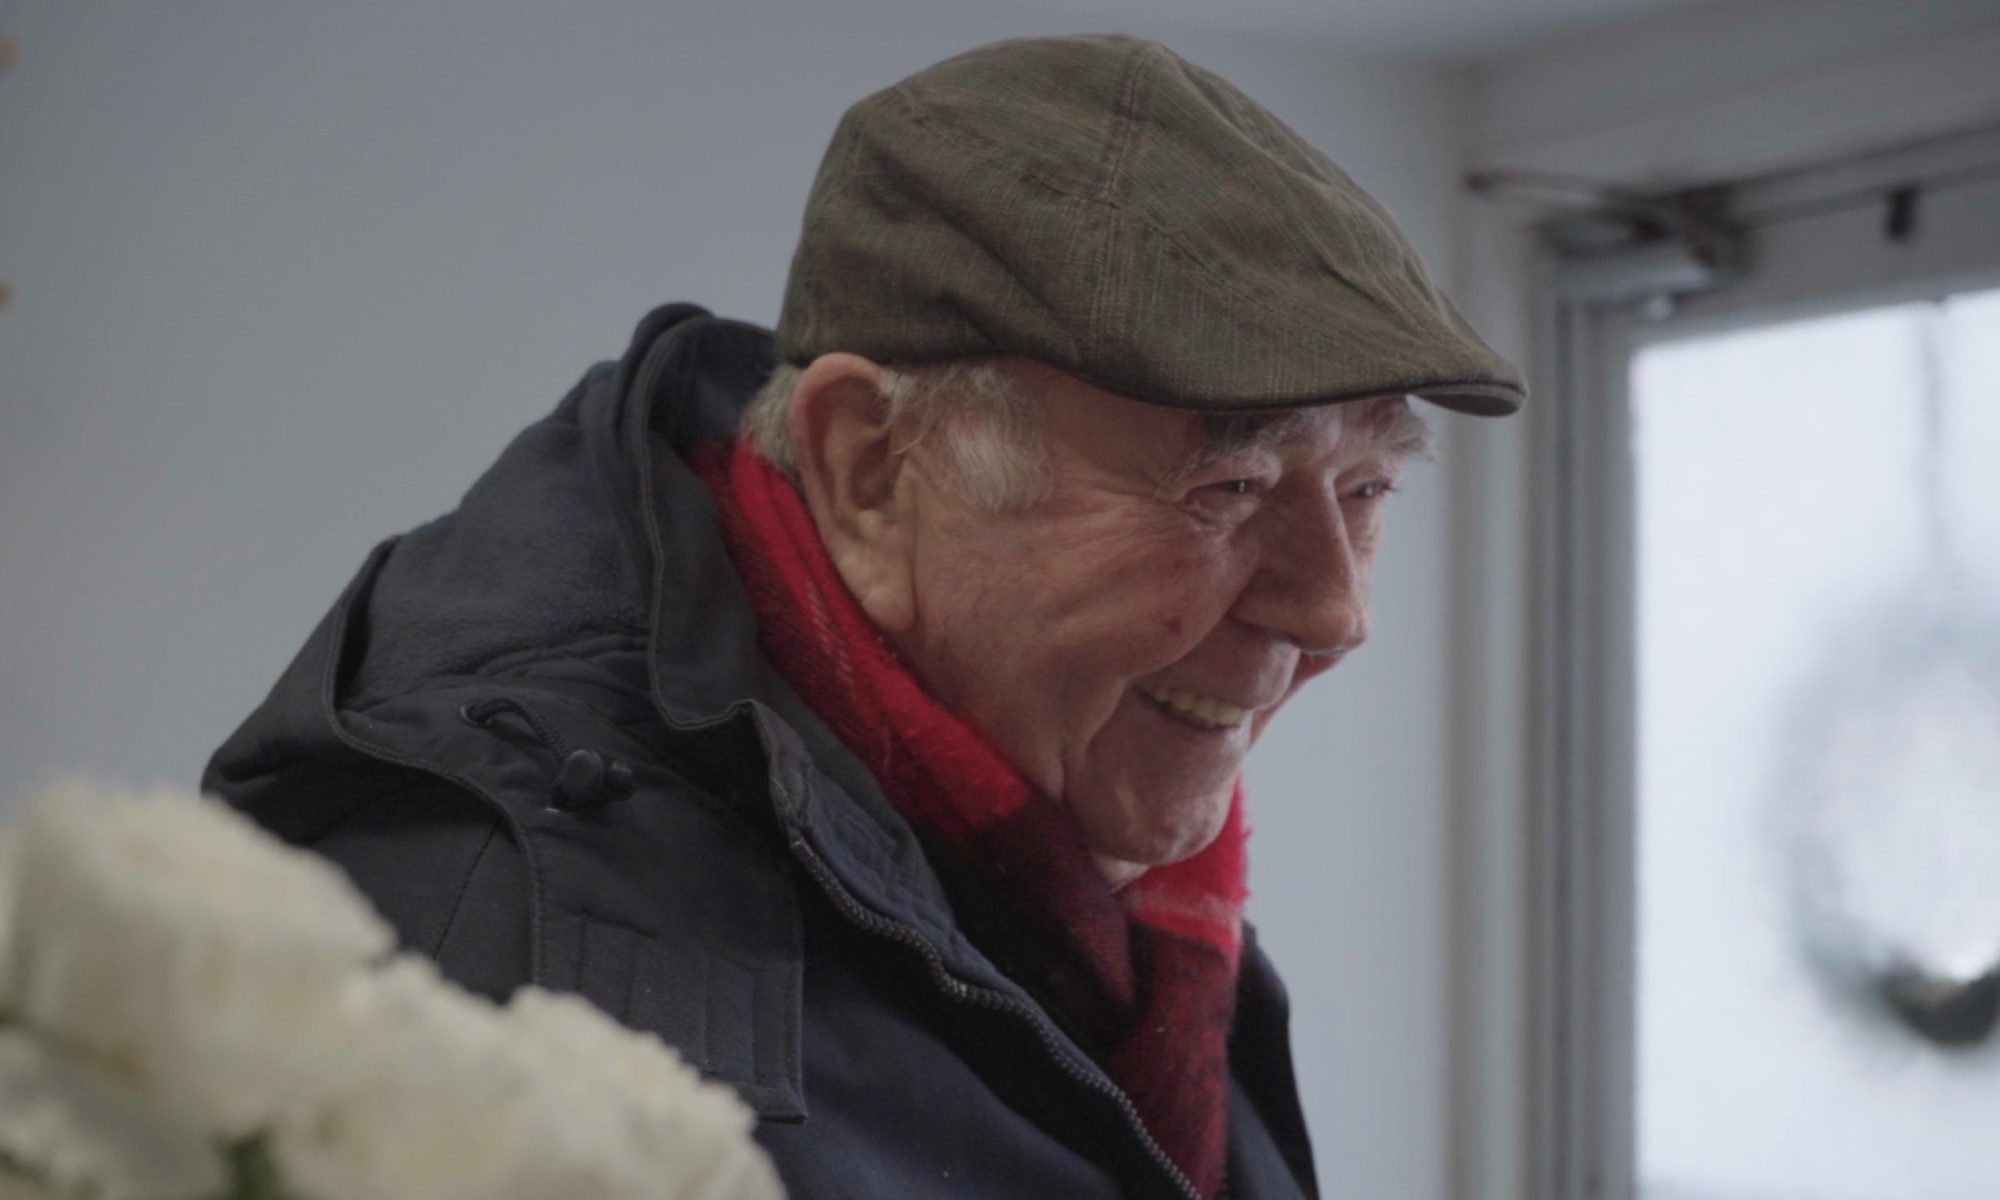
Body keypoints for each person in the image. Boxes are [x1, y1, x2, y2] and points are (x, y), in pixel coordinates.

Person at [205, 34, 1523, 1200]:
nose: (1336, 611)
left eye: (1367, 488)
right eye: (1227, 486)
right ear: (872, 471)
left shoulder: (1118, 910)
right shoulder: (485, 944)